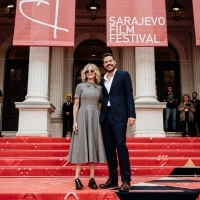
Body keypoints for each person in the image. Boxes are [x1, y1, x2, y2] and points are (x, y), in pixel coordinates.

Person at [99, 53, 136, 192]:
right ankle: (113, 178)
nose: (108, 63)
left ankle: (126, 180)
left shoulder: (123, 75)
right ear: (103, 65)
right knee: (109, 149)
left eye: (110, 61)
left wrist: (131, 114)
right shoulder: (102, 80)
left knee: (121, 146)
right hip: (105, 116)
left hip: (120, 115)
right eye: (105, 62)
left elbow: (129, 95)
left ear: (114, 62)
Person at [67, 63, 106, 190]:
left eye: (92, 71)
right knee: (80, 146)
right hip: (82, 116)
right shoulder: (80, 86)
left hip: (95, 117)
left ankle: (92, 178)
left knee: (93, 146)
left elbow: (102, 105)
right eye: (87, 71)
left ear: (96, 73)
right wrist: (75, 121)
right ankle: (76, 178)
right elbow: (76, 104)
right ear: (85, 73)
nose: (89, 72)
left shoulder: (100, 88)